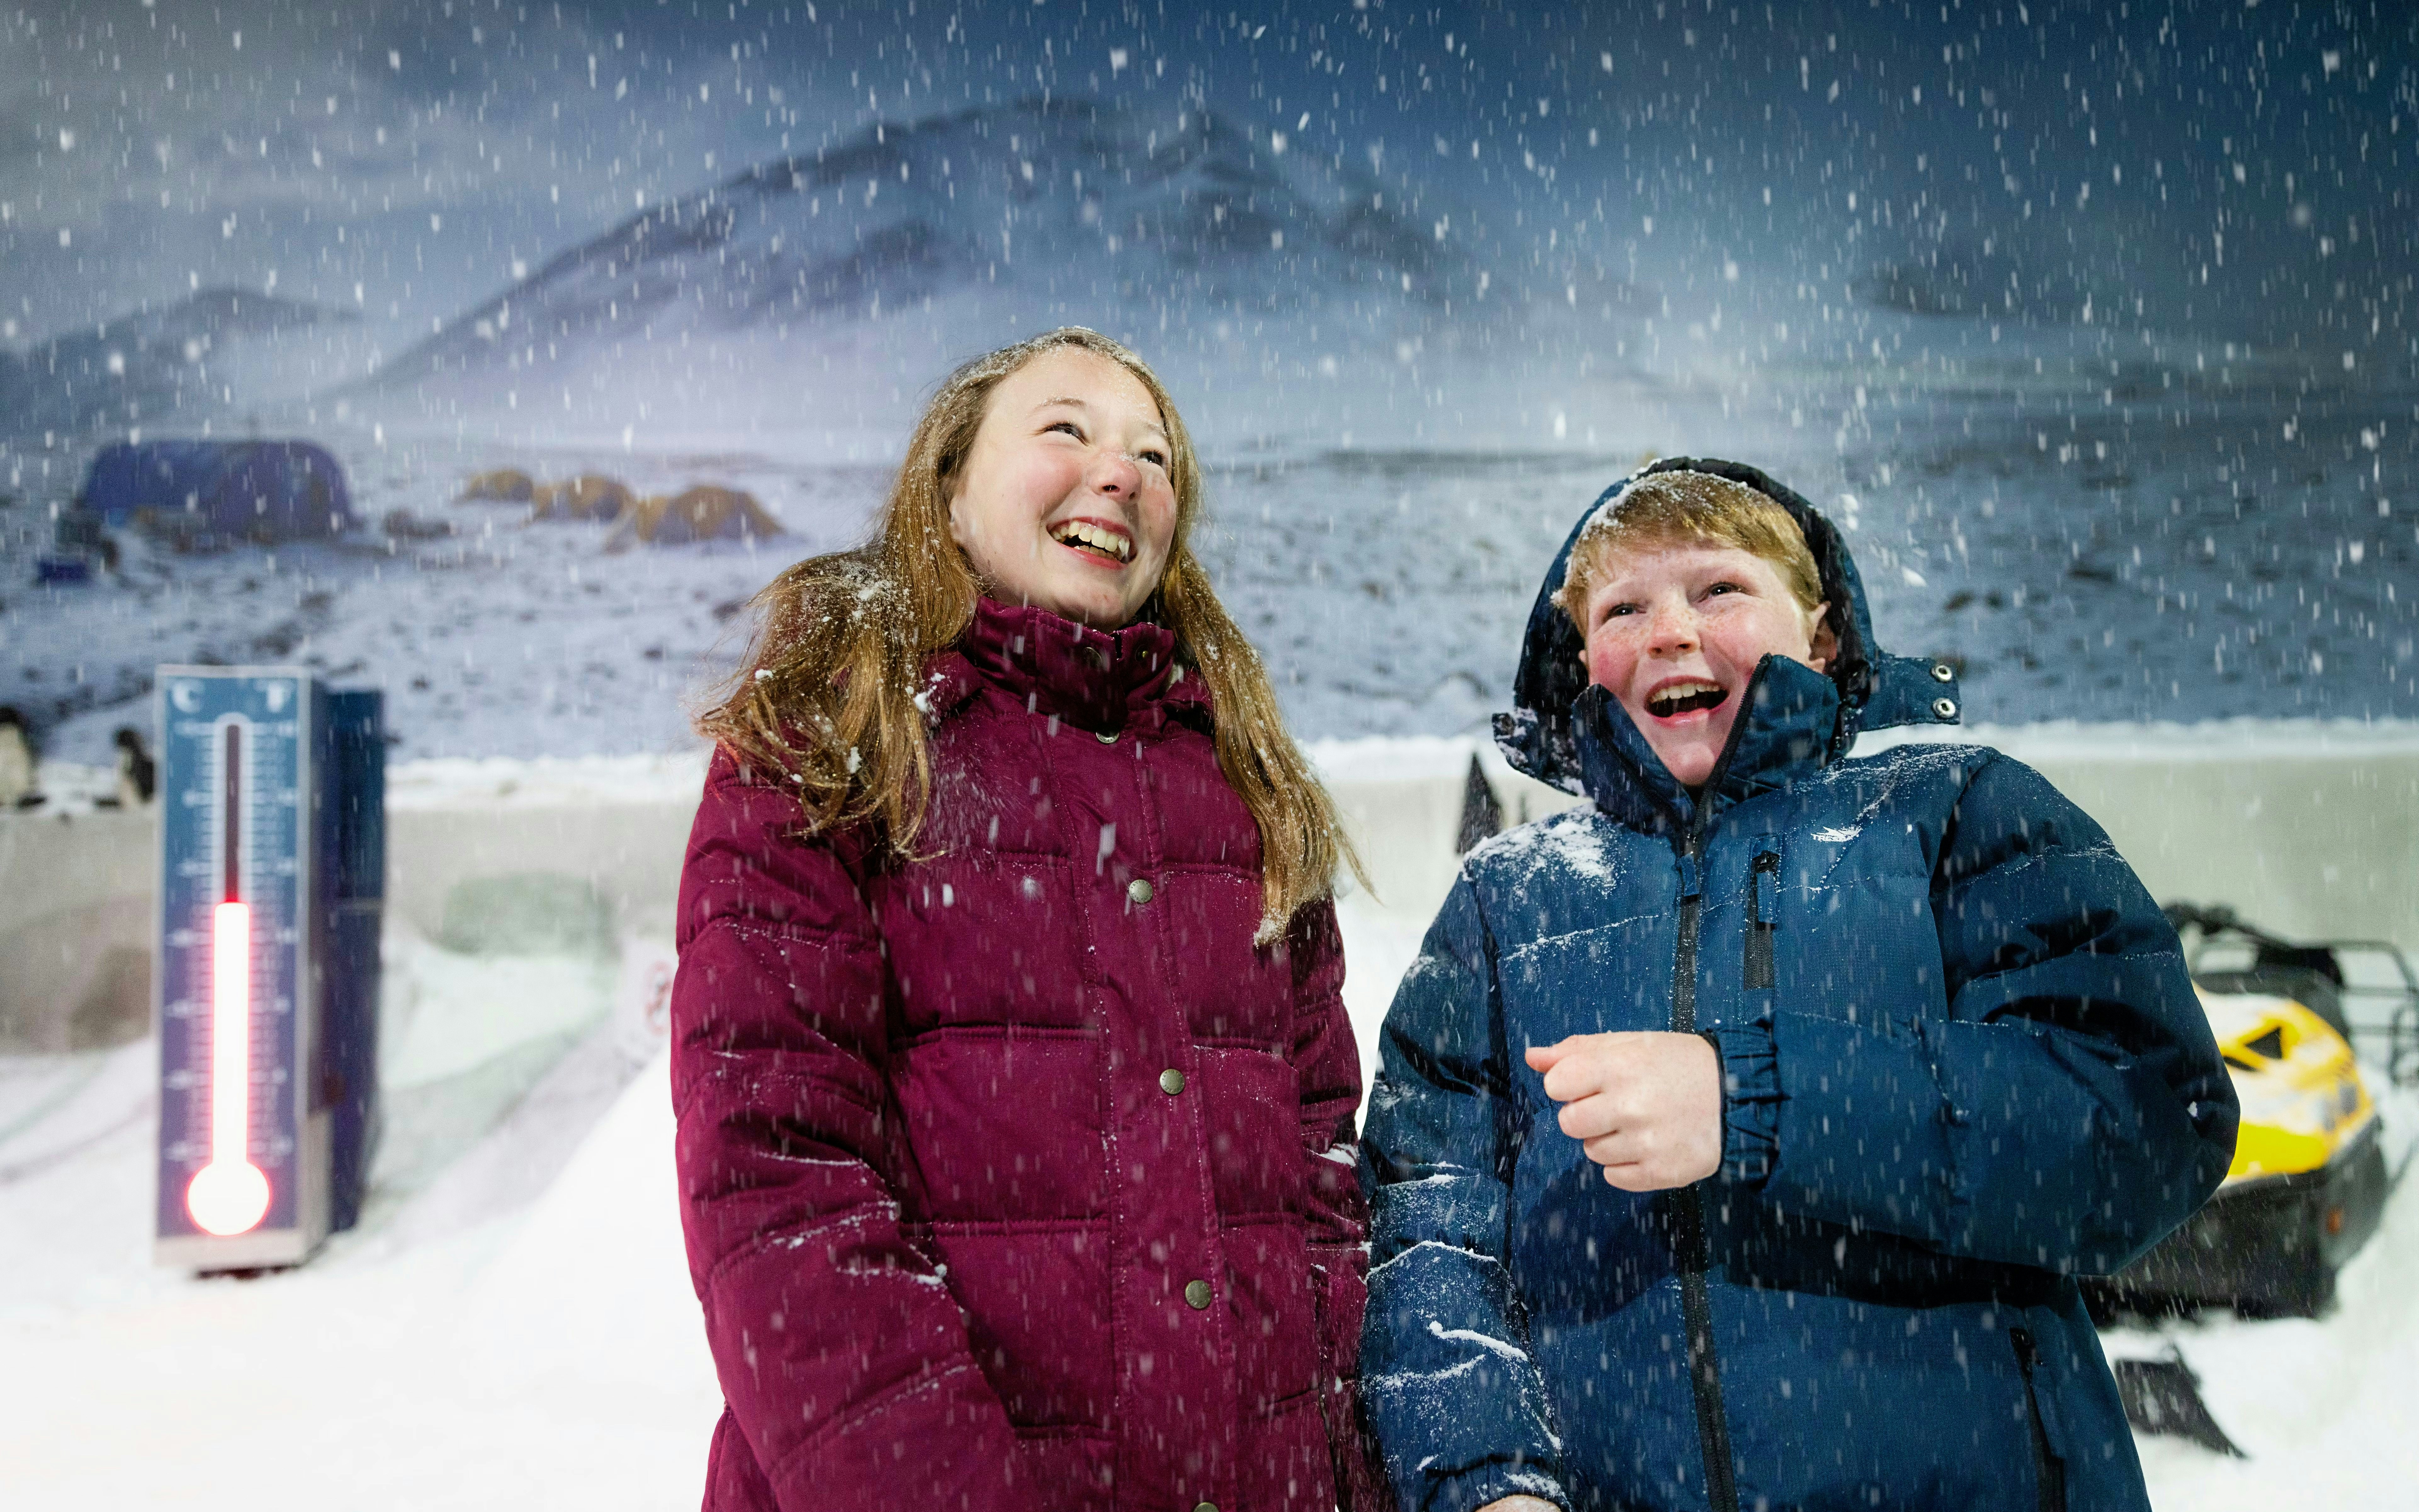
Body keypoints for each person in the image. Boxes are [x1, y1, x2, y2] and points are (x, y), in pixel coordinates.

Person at [1357, 460, 2237, 1512]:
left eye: (1718, 590)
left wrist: (1756, 1100)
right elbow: (1426, 1223)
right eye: (1624, 606)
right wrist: (1486, 1477)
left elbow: (2144, 1119)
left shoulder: (1959, 813)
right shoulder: (1504, 905)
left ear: (1819, 634)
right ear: (1585, 662)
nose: (1671, 631)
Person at [671, 327, 1387, 1512]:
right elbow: (777, 1176)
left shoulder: (1242, 782)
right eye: (1067, 429)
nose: (1122, 473)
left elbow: (1317, 1173)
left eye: (1156, 458)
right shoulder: (830, 739)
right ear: (947, 492)